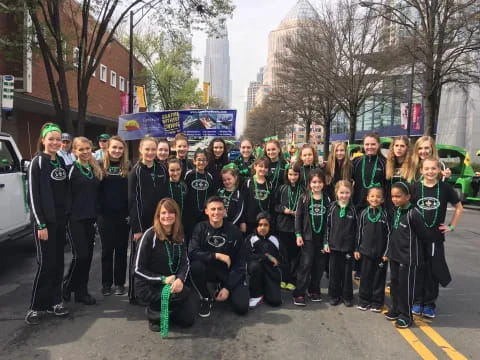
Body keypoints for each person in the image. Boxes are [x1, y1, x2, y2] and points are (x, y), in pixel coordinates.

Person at [25, 123, 70, 325]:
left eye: (57, 139)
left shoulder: (60, 160)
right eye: (50, 139)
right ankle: (35, 307)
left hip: (60, 222)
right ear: (43, 140)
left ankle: (56, 302)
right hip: (44, 224)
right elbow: (33, 197)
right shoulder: (37, 162)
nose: (54, 142)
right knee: (45, 264)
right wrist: (40, 224)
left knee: (58, 262)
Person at [411, 158, 463, 318]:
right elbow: (406, 209)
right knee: (418, 269)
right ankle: (417, 301)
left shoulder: (445, 188)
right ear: (421, 171)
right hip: (417, 237)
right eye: (426, 169)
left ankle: (429, 304)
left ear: (439, 171)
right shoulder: (415, 188)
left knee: (433, 271)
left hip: (435, 238)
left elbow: (459, 207)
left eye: (433, 168)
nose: (430, 171)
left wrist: (451, 226)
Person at [134, 199, 195, 334]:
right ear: (158, 215)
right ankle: (153, 313)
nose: (167, 216)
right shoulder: (149, 235)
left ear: (176, 215)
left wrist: (180, 279)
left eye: (171, 212)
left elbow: (185, 262)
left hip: (172, 282)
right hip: (150, 285)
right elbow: (138, 269)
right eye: (163, 213)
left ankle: (168, 309)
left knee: (188, 320)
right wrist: (162, 279)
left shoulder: (179, 234)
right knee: (184, 294)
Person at [189, 196, 249, 317]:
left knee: (242, 307)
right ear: (206, 211)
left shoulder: (234, 231)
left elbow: (240, 263)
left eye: (220, 209)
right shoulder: (200, 228)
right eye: (213, 209)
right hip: (208, 269)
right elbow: (192, 252)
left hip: (227, 272)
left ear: (224, 211)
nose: (216, 212)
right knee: (195, 266)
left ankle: (223, 287)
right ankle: (205, 297)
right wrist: (216, 255)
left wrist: (228, 287)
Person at [384, 182, 429, 328]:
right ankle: (396, 309)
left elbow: (424, 236)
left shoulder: (414, 214)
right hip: (395, 256)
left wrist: (419, 257)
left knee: (405, 288)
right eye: (392, 196)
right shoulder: (396, 210)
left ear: (408, 196)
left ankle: (406, 316)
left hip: (408, 259)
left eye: (398, 196)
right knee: (395, 285)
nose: (395, 199)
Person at [63, 137, 102, 305]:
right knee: (81, 256)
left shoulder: (95, 169)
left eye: (88, 148)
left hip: (90, 219)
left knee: (88, 257)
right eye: (81, 149)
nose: (85, 152)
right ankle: (67, 286)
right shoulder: (70, 170)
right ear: (74, 152)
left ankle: (81, 291)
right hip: (75, 219)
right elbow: (64, 195)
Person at [128, 137, 167, 303]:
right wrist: (137, 228)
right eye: (147, 149)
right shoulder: (135, 172)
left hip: (158, 221)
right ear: (141, 150)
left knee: (155, 255)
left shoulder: (161, 169)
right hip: (141, 223)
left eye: (153, 149)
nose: (150, 153)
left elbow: (165, 197)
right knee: (138, 258)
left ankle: (151, 290)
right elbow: (133, 201)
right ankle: (134, 293)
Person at [293, 169, 332, 306]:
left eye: (319, 182)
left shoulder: (327, 198)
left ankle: (314, 289)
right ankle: (299, 293)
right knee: (306, 264)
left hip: (321, 239)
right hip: (307, 238)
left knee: (319, 266)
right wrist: (298, 234)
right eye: (314, 182)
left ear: (324, 183)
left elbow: (329, 221)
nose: (317, 185)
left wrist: (327, 241)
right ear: (309, 183)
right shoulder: (304, 198)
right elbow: (298, 217)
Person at [98, 136, 130, 296]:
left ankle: (119, 283)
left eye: (120, 148)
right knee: (107, 251)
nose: (117, 151)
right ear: (108, 149)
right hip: (105, 216)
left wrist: (129, 214)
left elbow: (130, 194)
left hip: (123, 217)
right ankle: (106, 283)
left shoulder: (128, 167)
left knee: (121, 251)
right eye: (114, 148)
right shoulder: (99, 166)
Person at [355, 187, 390, 312]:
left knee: (378, 278)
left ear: (382, 200)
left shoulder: (386, 214)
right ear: (367, 198)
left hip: (381, 254)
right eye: (372, 196)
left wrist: (387, 252)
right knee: (365, 277)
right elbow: (358, 233)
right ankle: (364, 301)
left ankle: (377, 302)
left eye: (378, 196)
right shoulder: (363, 214)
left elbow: (390, 235)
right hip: (366, 252)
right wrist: (357, 249)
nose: (375, 199)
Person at [324, 180, 357, 307]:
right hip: (333, 247)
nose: (344, 195)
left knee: (347, 274)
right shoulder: (332, 207)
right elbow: (327, 227)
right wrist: (326, 243)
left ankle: (347, 296)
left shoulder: (353, 210)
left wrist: (355, 247)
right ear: (336, 193)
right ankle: (334, 295)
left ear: (351, 193)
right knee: (334, 273)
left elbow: (356, 230)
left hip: (348, 248)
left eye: (347, 193)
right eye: (341, 193)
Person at [274, 161, 302, 291]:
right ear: (287, 174)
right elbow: (275, 205)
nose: (293, 177)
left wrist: (299, 212)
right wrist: (283, 210)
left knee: (295, 255)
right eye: (290, 174)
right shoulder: (282, 188)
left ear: (299, 175)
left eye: (295, 174)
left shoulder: (303, 189)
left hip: (297, 227)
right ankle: (284, 278)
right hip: (283, 226)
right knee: (284, 255)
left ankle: (292, 279)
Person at [246, 212, 282, 308]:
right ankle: (256, 295)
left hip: (270, 272)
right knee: (255, 265)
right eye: (260, 225)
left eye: (266, 225)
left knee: (276, 301)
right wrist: (266, 257)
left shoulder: (275, 239)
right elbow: (246, 256)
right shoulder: (251, 238)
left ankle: (267, 290)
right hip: (256, 270)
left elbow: (282, 259)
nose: (263, 227)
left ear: (270, 226)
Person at [352, 133, 386, 211]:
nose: (370, 147)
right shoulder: (356, 162)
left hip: (377, 206)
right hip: (358, 205)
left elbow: (387, 186)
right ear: (363, 145)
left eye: (373, 144)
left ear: (378, 145)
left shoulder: (384, 163)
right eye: (367, 144)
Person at [184, 149, 214, 241]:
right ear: (194, 161)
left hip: (203, 213)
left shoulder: (209, 176)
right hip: (190, 213)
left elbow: (211, 194)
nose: (201, 162)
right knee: (190, 235)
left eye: (204, 160)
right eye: (199, 160)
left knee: (202, 236)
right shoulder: (189, 175)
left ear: (207, 162)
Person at [243, 157, 272, 234]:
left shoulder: (269, 183)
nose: (263, 169)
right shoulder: (248, 182)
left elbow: (271, 203)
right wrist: (243, 221)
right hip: (250, 220)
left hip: (264, 221)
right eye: (260, 166)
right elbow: (243, 202)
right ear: (255, 166)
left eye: (266, 167)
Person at [385, 136, 412, 211]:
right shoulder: (387, 164)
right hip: (390, 204)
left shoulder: (412, 165)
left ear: (407, 148)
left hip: (406, 204)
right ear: (392, 147)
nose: (399, 148)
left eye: (402, 146)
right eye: (396, 145)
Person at [217, 165, 247, 233]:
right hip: (219, 224)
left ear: (235, 178)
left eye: (229, 179)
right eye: (224, 180)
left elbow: (240, 212)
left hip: (233, 225)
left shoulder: (238, 194)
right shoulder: (219, 192)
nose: (227, 182)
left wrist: (231, 225)